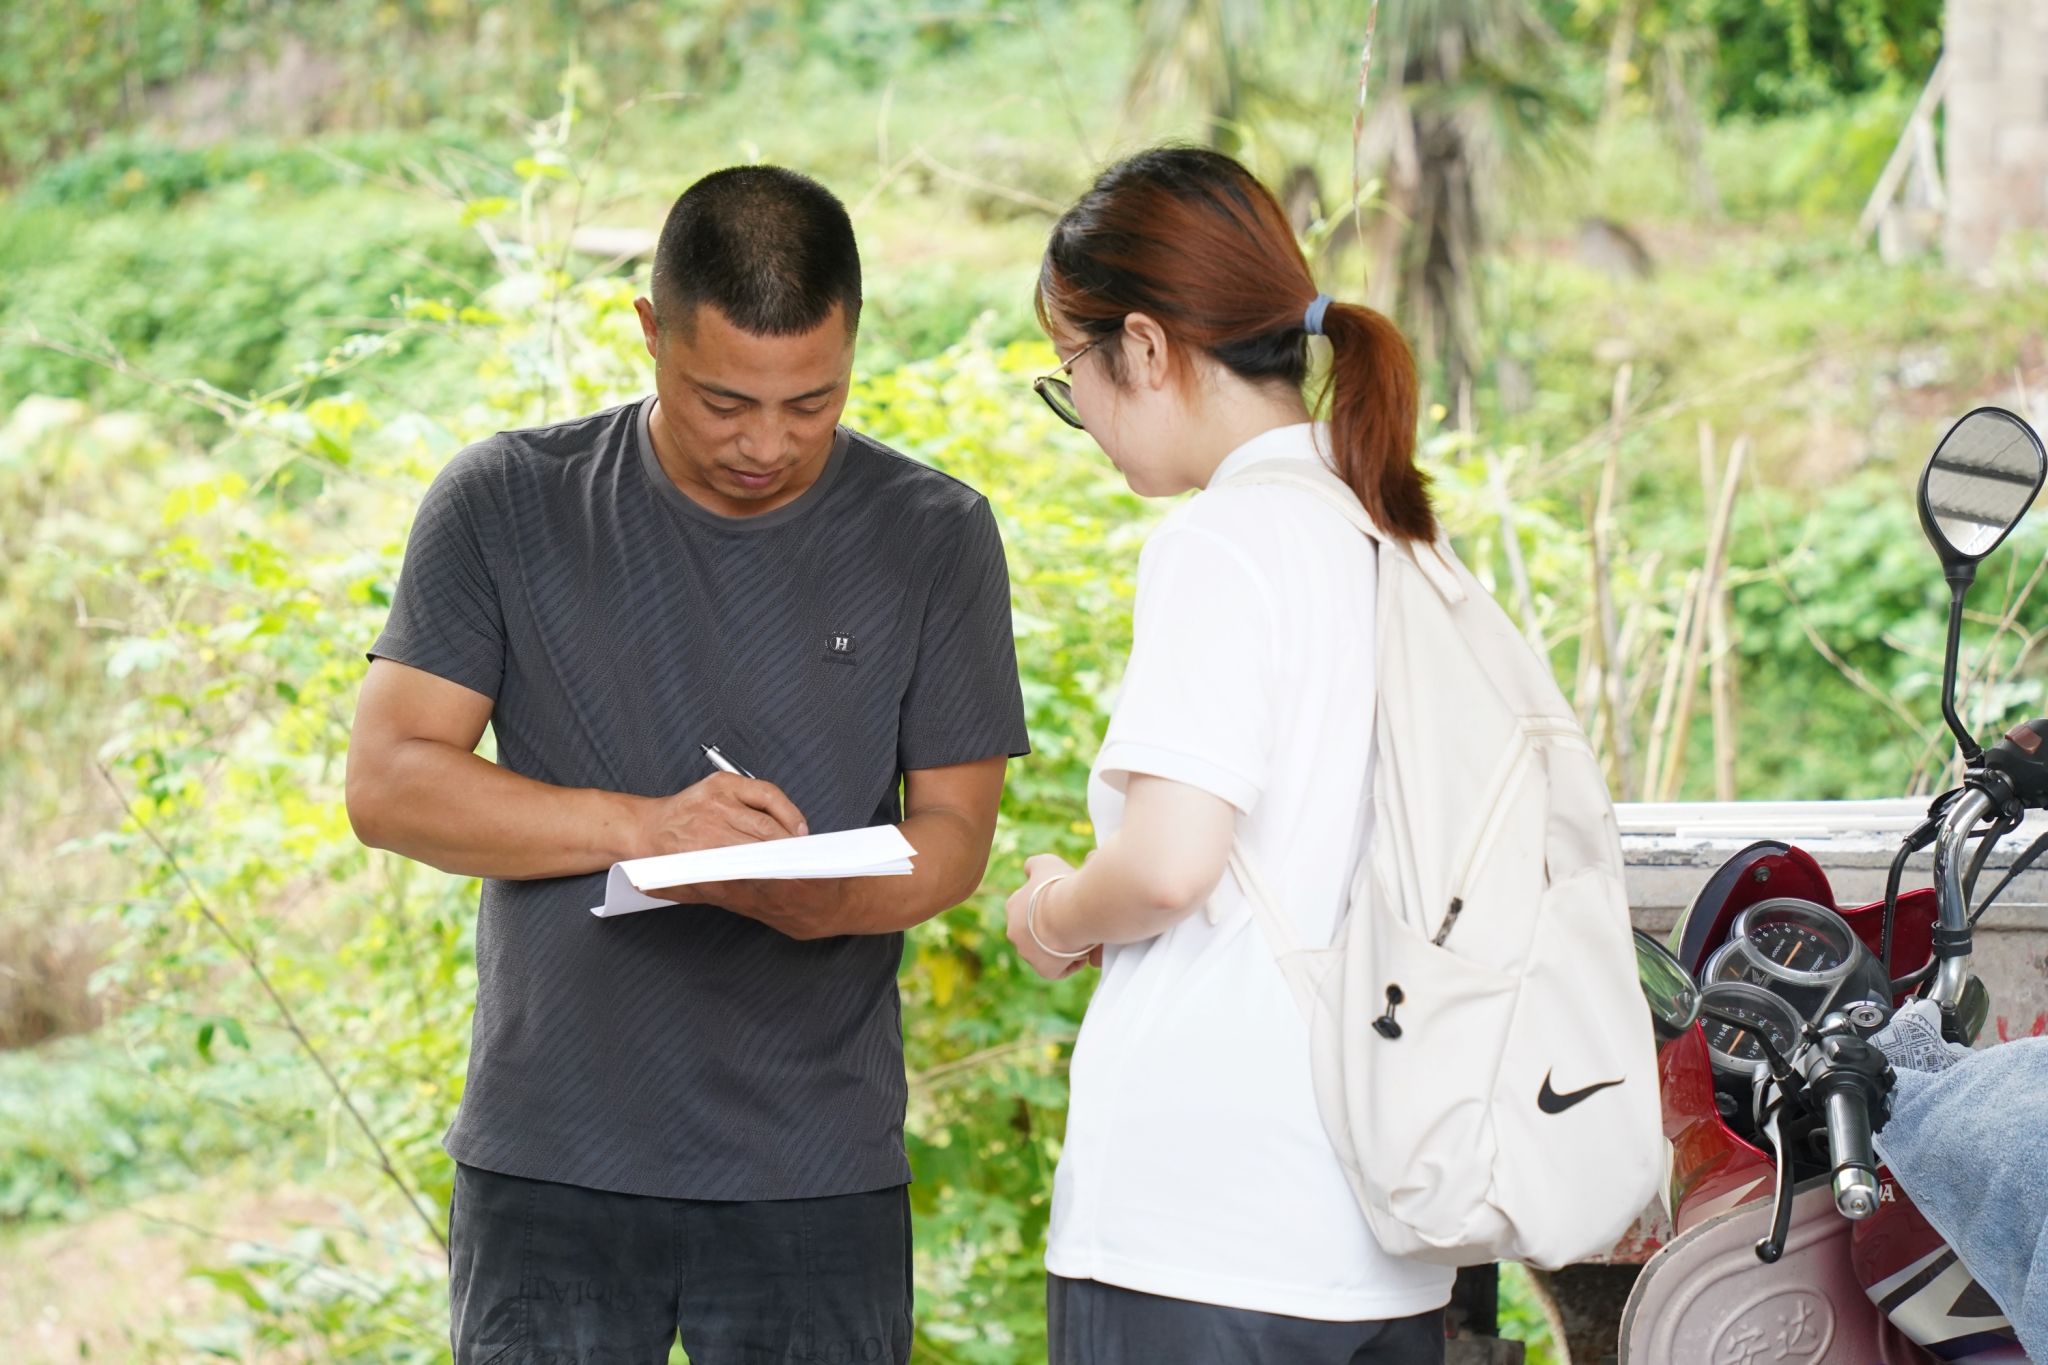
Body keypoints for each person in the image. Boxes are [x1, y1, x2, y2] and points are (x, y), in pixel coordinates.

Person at [346, 165, 1029, 1365]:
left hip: (813, 1173)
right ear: (648, 332)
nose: (766, 443)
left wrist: (821, 903)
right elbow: (391, 782)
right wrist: (644, 830)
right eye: (722, 402)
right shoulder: (507, 502)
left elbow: (956, 837)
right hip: (550, 1159)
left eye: (811, 403)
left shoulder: (934, 532)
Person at [1002, 146, 1455, 1364]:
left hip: (1204, 1229)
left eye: (1071, 378)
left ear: (1143, 349)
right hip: (1387, 1225)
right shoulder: (1396, 531)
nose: (1084, 418)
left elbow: (1162, 868)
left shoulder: (1225, 540)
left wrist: (1049, 914)